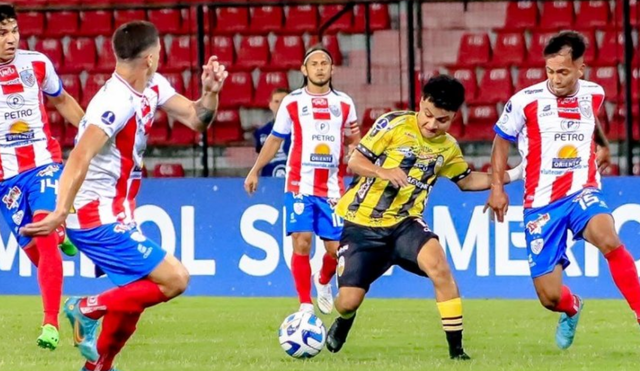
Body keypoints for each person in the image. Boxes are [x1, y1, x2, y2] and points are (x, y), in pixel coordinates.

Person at [21, 20, 227, 371]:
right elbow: (79, 157)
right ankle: (86, 308)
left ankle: (98, 367)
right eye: (159, 51)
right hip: (93, 215)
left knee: (134, 299)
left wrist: (210, 92)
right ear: (149, 58)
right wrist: (59, 211)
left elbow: (196, 119)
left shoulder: (152, 86)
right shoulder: (113, 102)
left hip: (118, 211)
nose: (161, 56)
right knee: (175, 278)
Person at [326, 75, 520, 360]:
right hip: (363, 224)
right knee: (346, 302)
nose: (431, 124)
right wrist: (383, 171)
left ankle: (457, 352)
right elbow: (355, 160)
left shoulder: (448, 147)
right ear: (421, 103)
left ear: (453, 117)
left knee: (439, 267)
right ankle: (344, 321)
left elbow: (465, 181)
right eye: (427, 115)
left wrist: (515, 175)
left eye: (442, 120)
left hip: (406, 224)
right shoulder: (392, 124)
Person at [486, 31, 640, 350]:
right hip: (541, 204)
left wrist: (604, 147)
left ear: (580, 69)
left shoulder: (594, 93)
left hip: (581, 190)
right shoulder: (524, 101)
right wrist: (497, 188)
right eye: (550, 72)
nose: (555, 79)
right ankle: (572, 308)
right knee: (550, 296)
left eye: (563, 72)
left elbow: (591, 120)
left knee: (609, 238)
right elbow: (501, 143)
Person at [244, 46, 360, 315]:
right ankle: (305, 304)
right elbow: (275, 139)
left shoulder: (344, 103)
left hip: (332, 186)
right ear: (304, 70)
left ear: (332, 69)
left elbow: (354, 139)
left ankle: (322, 281)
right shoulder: (293, 102)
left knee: (335, 250)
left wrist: (355, 151)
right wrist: (255, 170)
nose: (320, 67)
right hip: (298, 184)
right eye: (314, 63)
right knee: (302, 240)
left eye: (325, 63)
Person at [0, 3, 84, 350]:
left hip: (44, 164)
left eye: (14, 31)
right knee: (38, 255)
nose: (11, 40)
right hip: (7, 181)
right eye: (3, 33)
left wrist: (95, 136)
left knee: (46, 236)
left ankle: (49, 325)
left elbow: (62, 100)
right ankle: (74, 310)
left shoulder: (37, 63)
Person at [253, 87, 291, 177]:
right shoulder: (261, 132)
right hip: (268, 180)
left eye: (284, 101)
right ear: (270, 104)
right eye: (276, 102)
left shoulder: (301, 129)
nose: (280, 105)